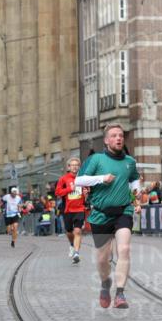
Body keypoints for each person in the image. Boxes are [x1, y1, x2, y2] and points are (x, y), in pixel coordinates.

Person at [75, 124, 140, 309]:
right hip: (101, 215)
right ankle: (105, 284)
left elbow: (134, 178)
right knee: (103, 259)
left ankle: (120, 293)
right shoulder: (96, 159)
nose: (118, 138)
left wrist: (136, 197)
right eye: (114, 135)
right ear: (106, 140)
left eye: (120, 135)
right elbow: (78, 181)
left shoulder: (129, 161)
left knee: (124, 249)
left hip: (123, 211)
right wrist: (101, 178)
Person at [55, 158, 87, 263]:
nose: (74, 167)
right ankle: (72, 245)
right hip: (67, 209)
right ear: (68, 167)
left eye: (76, 165)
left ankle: (77, 254)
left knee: (77, 231)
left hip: (80, 208)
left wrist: (86, 192)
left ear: (79, 167)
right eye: (72, 165)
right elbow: (58, 192)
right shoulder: (64, 179)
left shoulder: (83, 179)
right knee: (69, 232)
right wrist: (69, 189)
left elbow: (87, 191)